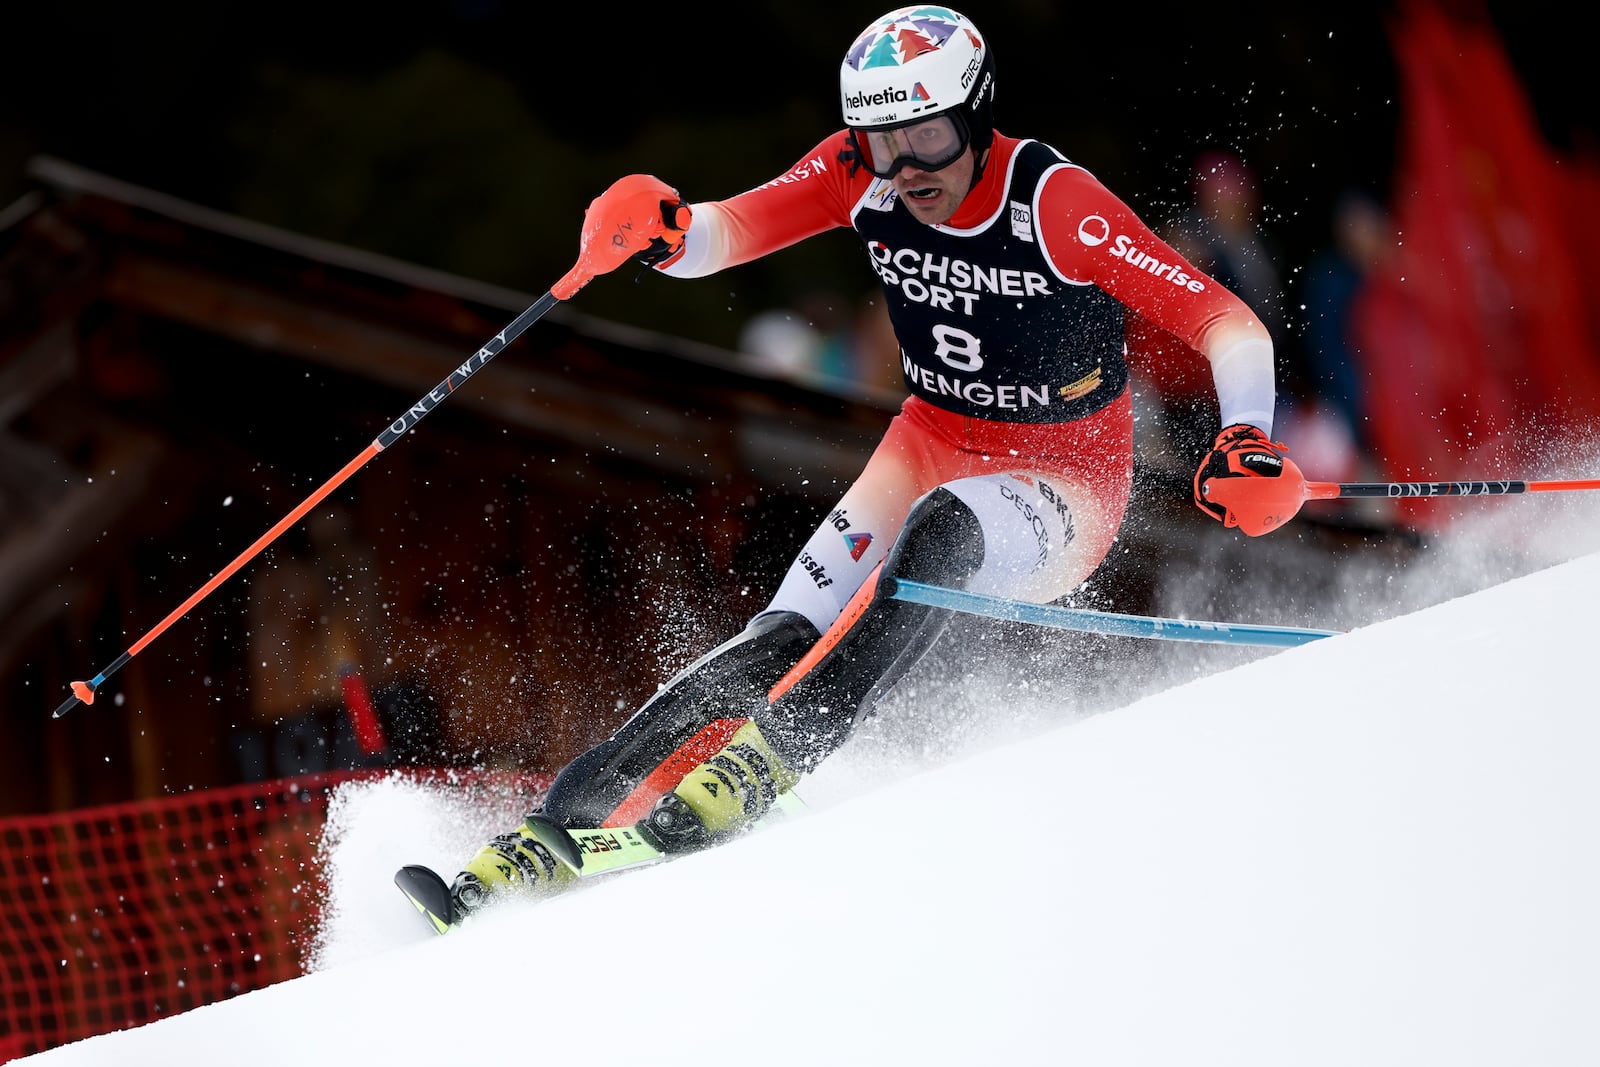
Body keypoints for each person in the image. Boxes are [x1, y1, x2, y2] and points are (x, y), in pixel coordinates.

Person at [434, 6, 1298, 922]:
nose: (906, 168)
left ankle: (767, 759)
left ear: (975, 114)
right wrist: (661, 229)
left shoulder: (1054, 202)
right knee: (781, 630)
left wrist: (1245, 436)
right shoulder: (861, 171)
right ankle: (560, 823)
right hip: (929, 440)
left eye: (926, 136)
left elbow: (1224, 320)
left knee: (941, 532)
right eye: (883, 142)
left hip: (1066, 481)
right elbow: (728, 233)